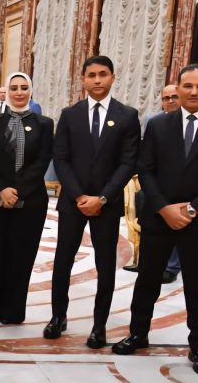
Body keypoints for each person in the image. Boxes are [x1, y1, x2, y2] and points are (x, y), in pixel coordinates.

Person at [113, 64, 198, 377]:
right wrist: (164, 208)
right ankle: (138, 333)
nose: (194, 92)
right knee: (147, 282)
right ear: (179, 88)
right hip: (159, 219)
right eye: (188, 86)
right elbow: (145, 169)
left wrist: (193, 209)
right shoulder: (159, 125)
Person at [43, 55, 140, 349]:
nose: (97, 80)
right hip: (73, 202)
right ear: (83, 79)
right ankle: (58, 316)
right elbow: (61, 158)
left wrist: (103, 197)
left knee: (105, 266)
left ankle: (99, 326)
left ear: (112, 77)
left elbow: (128, 162)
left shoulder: (127, 116)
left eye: (103, 74)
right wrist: (79, 195)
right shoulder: (69, 115)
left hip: (106, 205)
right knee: (62, 262)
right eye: (92, 75)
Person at [0, 72, 53, 324]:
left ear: (30, 91)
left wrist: (17, 191)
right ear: (7, 92)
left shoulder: (44, 124)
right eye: (14, 88)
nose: (19, 92)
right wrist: (2, 189)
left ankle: (12, 311)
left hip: (30, 202)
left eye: (23, 88)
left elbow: (41, 162)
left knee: (21, 256)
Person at [127, 84, 181, 282]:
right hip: (153, 184)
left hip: (180, 188)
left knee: (175, 222)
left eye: (174, 96)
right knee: (145, 214)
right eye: (166, 98)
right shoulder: (153, 120)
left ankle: (171, 267)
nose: (170, 101)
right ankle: (144, 261)